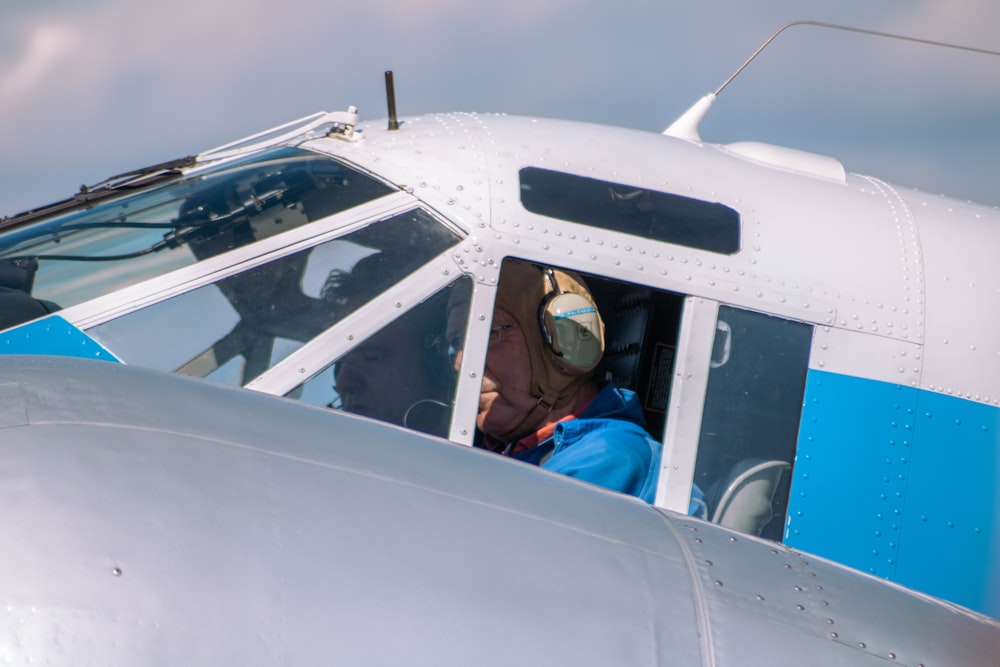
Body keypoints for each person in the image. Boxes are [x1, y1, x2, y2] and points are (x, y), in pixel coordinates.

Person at [448, 259, 665, 503]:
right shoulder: (522, 448)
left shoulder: (606, 460)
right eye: (456, 342)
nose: (459, 363)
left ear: (564, 342)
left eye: (488, 334)